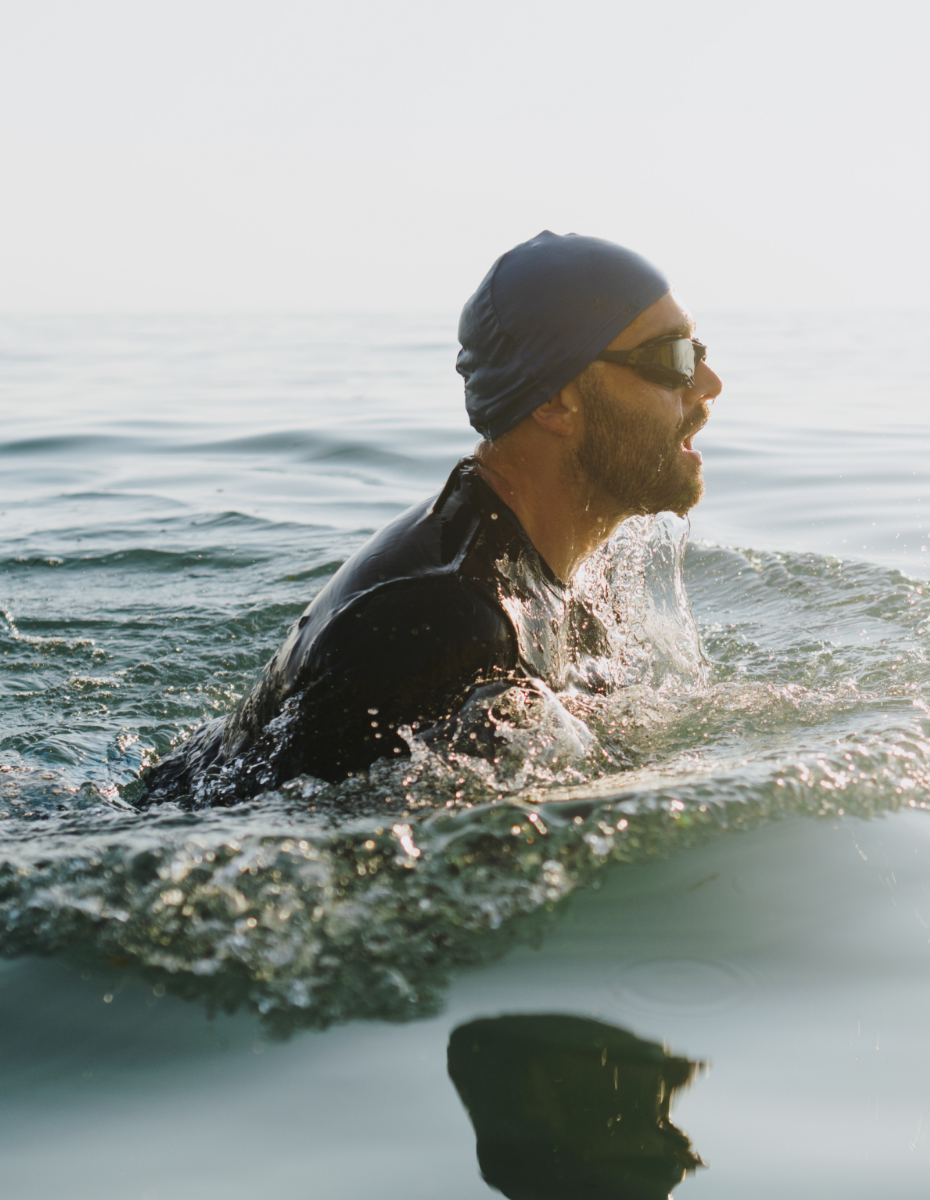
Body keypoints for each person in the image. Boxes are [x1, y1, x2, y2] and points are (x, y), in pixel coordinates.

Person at [140, 231, 722, 806]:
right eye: (671, 358)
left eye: (697, 353)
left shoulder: (553, 587)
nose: (709, 384)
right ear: (553, 400)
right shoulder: (446, 621)